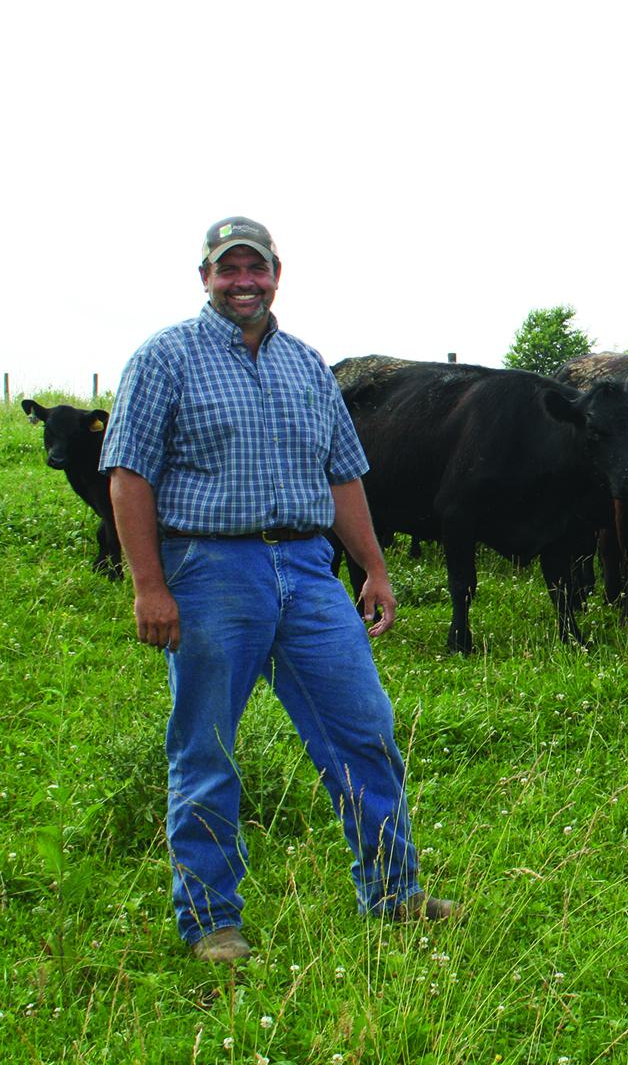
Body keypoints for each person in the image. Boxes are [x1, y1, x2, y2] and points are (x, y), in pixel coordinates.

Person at [101, 216, 457, 963]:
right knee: (205, 747)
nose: (243, 282)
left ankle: (394, 892)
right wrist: (149, 586)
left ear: (275, 274)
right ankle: (211, 921)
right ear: (205, 277)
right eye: (228, 270)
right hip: (210, 571)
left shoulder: (306, 364)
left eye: (253, 269)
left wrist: (375, 567)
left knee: (365, 730)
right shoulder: (164, 358)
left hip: (307, 569)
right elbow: (129, 475)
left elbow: (342, 475)